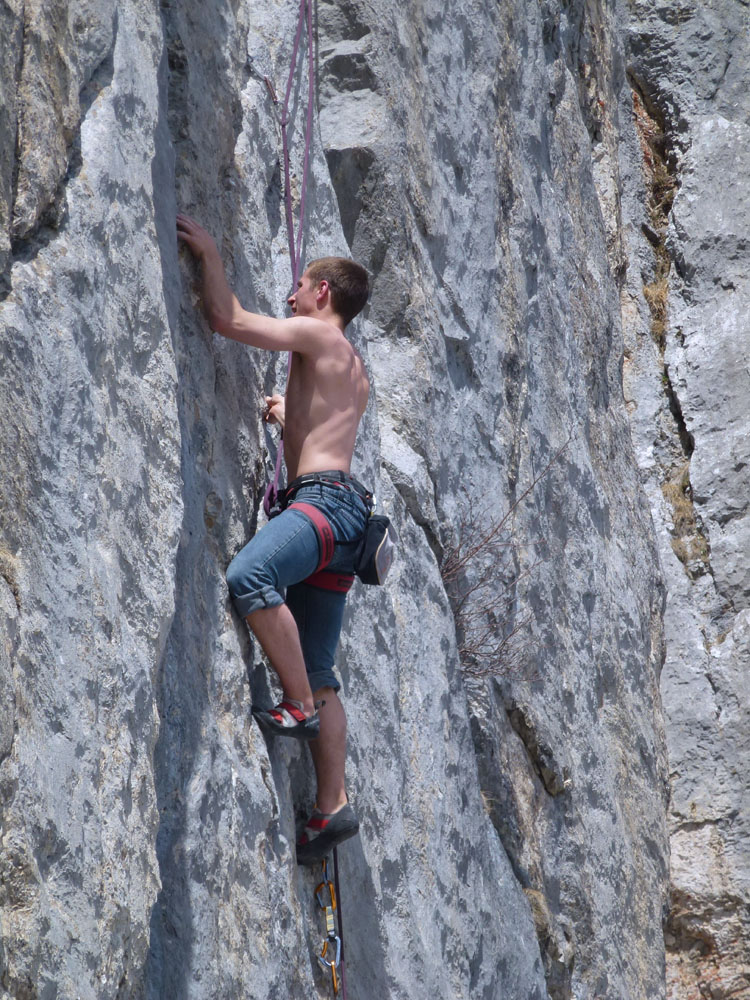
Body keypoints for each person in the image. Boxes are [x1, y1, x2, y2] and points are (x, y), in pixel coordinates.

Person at [176, 214, 371, 863]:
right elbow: (326, 429)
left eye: (298, 286)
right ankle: (331, 806)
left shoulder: (317, 333)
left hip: (320, 508)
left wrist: (207, 251)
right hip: (345, 520)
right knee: (321, 669)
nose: (290, 296)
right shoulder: (352, 367)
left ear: (323, 294)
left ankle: (295, 707)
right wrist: (289, 417)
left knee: (249, 579)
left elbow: (228, 319)